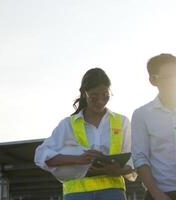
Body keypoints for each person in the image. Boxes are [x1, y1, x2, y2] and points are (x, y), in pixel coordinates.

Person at [34, 68, 134, 200]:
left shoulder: (122, 122)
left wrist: (118, 171)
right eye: (94, 97)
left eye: (105, 95)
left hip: (112, 193)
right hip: (77, 194)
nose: (100, 101)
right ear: (83, 94)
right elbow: (41, 156)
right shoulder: (68, 124)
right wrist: (77, 159)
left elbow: (133, 160)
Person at [131, 53, 176, 200]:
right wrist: (157, 195)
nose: (175, 81)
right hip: (158, 195)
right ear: (153, 80)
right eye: (168, 77)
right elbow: (140, 158)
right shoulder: (142, 114)